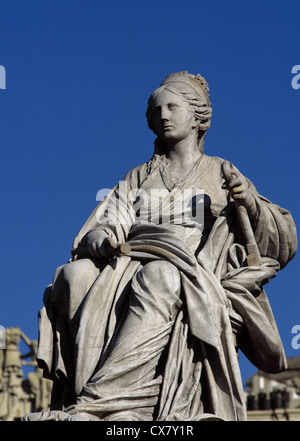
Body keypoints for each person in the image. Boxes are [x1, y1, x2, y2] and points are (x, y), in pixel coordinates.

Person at [25, 71, 297, 421]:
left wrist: (252, 204)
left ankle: (100, 403)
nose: (163, 115)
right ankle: (91, 395)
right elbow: (107, 222)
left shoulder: (220, 172)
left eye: (172, 106)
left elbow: (281, 241)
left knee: (160, 276)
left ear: (197, 115)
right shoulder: (138, 176)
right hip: (130, 261)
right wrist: (101, 238)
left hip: (192, 272)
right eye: (156, 110)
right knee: (73, 276)